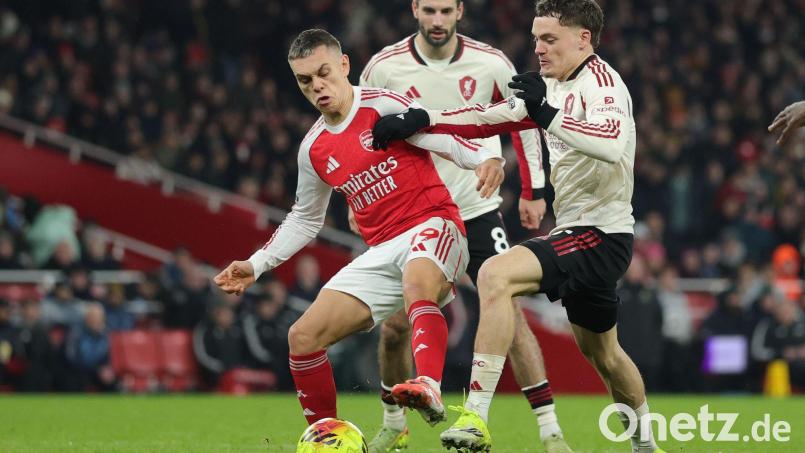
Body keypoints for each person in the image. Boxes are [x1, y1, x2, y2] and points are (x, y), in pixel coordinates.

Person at [370, 1, 666, 451]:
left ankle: (474, 417)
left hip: (602, 234)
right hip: (581, 233)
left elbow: (609, 145)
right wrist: (425, 119)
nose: (538, 48)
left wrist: (545, 114)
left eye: (549, 39)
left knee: (494, 273)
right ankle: (647, 446)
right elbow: (486, 117)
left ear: (583, 38)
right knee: (603, 354)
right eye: (535, 38)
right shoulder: (550, 85)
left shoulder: (603, 83)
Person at [213, 29, 505, 427]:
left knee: (418, 283)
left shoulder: (382, 105)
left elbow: (441, 137)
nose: (317, 85)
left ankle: (429, 385)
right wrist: (257, 264)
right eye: (305, 80)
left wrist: (485, 159)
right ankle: (325, 433)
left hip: (435, 224)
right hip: (383, 249)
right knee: (302, 337)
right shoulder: (313, 148)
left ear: (344, 65)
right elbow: (305, 217)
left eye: (324, 72)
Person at [358, 1, 569, 452]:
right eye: (429, 10)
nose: (437, 21)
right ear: (415, 8)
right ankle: (395, 426)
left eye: (446, 11)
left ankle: (551, 434)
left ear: (460, 11)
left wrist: (534, 190)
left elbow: (525, 120)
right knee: (395, 327)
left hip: (476, 210)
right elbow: (362, 135)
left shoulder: (490, 62)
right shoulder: (383, 67)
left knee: (509, 312)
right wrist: (362, 199)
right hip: (411, 215)